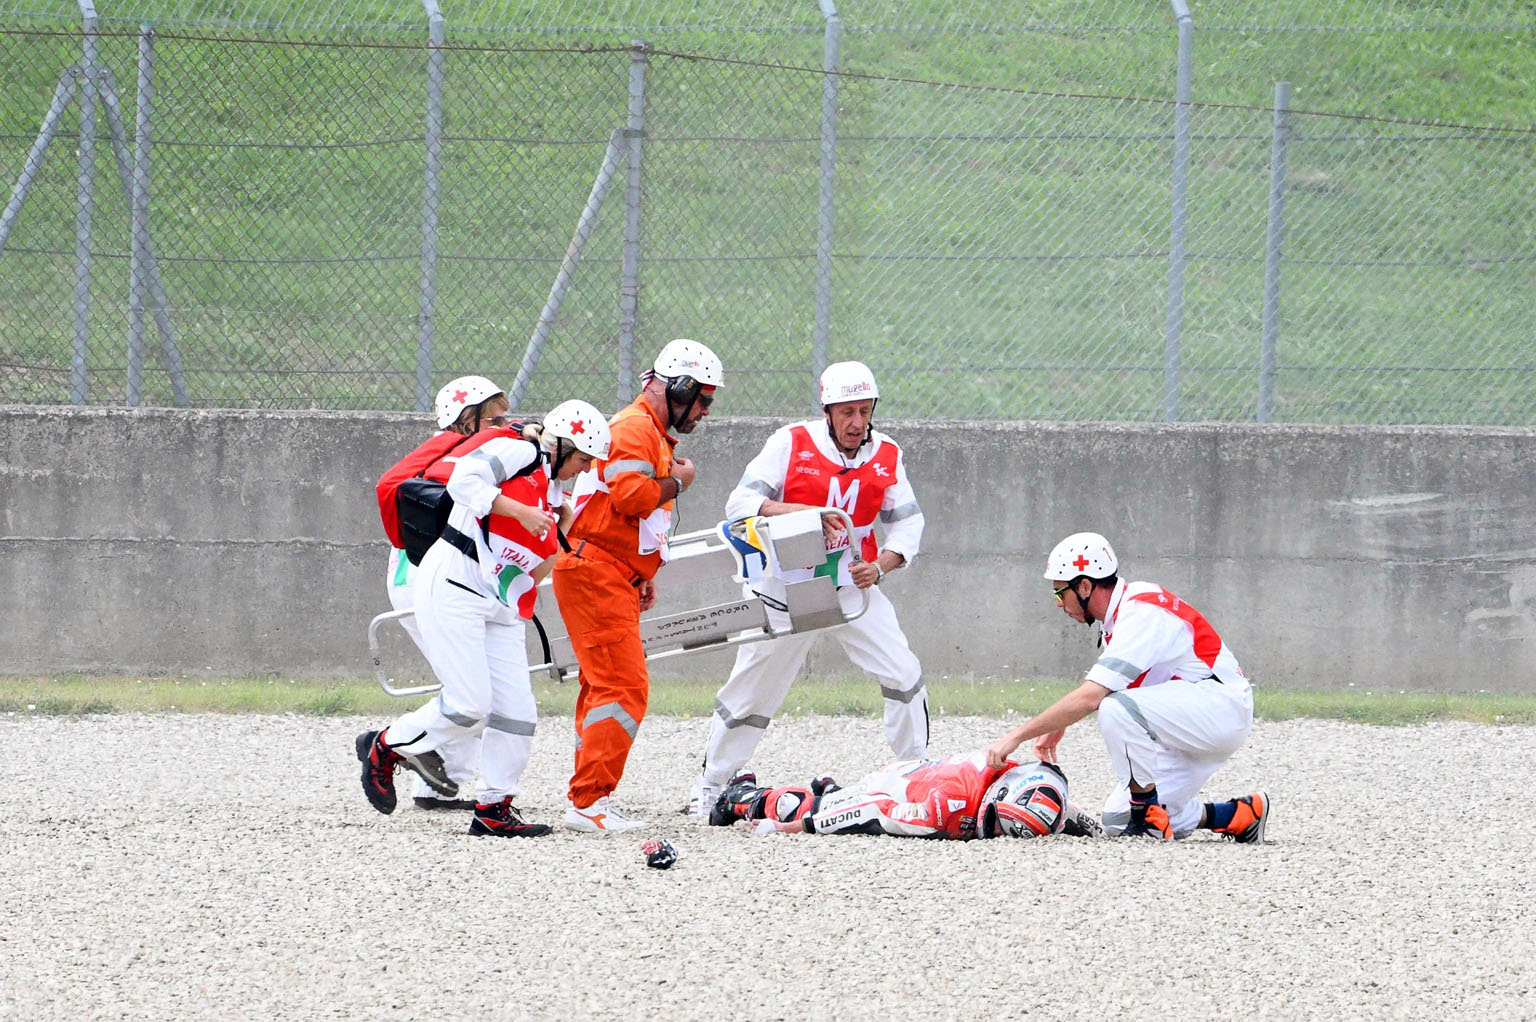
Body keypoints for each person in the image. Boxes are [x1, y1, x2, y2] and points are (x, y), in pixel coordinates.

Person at [357, 399, 612, 838]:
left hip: (500, 602)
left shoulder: (554, 494)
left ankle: (494, 807)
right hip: (455, 582)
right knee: (469, 704)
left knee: (517, 712)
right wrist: (524, 513)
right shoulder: (522, 451)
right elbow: (464, 479)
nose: (585, 470)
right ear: (566, 445)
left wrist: (562, 533)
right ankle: (386, 746)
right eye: (584, 459)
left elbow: (534, 571)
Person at [685, 360, 927, 817]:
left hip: (851, 589)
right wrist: (804, 512)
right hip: (783, 589)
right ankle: (712, 785)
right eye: (846, 412)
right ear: (827, 410)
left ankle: (914, 776)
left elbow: (908, 523)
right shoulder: (790, 442)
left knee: (904, 673)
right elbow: (739, 506)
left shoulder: (889, 453)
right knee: (752, 692)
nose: (857, 422)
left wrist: (880, 567)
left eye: (864, 410)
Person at [985, 532, 1271, 842]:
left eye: (1059, 593)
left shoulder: (1140, 610)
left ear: (1084, 586)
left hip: (1220, 708)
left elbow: (1094, 697)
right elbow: (1108, 688)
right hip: (1193, 720)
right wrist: (1061, 722)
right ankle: (1239, 815)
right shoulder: (1121, 619)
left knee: (1116, 709)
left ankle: (1148, 818)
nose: (1058, 604)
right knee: (1116, 819)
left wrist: (1014, 737)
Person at [553, 339, 723, 833]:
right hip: (596, 573)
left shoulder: (645, 431)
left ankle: (588, 797)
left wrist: (642, 574)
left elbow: (624, 513)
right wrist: (680, 482)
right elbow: (631, 497)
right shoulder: (633, 429)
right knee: (622, 687)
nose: (705, 412)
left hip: (607, 573)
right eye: (704, 400)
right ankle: (589, 803)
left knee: (602, 687)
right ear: (680, 388)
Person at [374, 374, 513, 810]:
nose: (505, 422)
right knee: (470, 689)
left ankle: (437, 784)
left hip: (438, 579)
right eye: (495, 416)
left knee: (475, 685)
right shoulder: (453, 456)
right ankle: (393, 745)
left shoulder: (458, 452)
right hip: (421, 580)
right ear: (467, 418)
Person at [708, 751, 1094, 840]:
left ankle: (830, 786)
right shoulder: (950, 808)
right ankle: (743, 796)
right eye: (993, 825)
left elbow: (1072, 816)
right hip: (897, 786)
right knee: (807, 808)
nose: (995, 836)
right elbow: (876, 811)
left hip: (927, 771)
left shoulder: (1033, 785)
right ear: (995, 797)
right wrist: (792, 828)